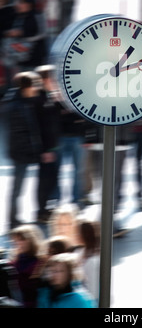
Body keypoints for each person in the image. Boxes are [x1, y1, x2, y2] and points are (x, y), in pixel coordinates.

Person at [6, 71, 45, 228]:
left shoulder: (23, 102)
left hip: (23, 154)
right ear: (27, 87)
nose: (36, 89)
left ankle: (15, 219)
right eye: (35, 85)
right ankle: (13, 220)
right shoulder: (17, 106)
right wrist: (30, 152)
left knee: (18, 189)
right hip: (20, 155)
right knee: (17, 189)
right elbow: (20, 135)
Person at [34, 65, 61, 223]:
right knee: (45, 180)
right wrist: (45, 150)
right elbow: (40, 126)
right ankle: (41, 211)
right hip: (46, 148)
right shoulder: (40, 99)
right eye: (51, 78)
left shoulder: (48, 97)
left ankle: (45, 209)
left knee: (51, 179)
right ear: (44, 80)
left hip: (52, 145)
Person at [9, 224, 45, 308]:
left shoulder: (41, 262)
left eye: (22, 239)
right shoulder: (14, 262)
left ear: (31, 240)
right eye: (15, 240)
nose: (18, 243)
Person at [76, 219, 100, 303]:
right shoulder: (78, 252)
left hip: (94, 299)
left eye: (78, 233)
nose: (76, 235)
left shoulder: (95, 258)